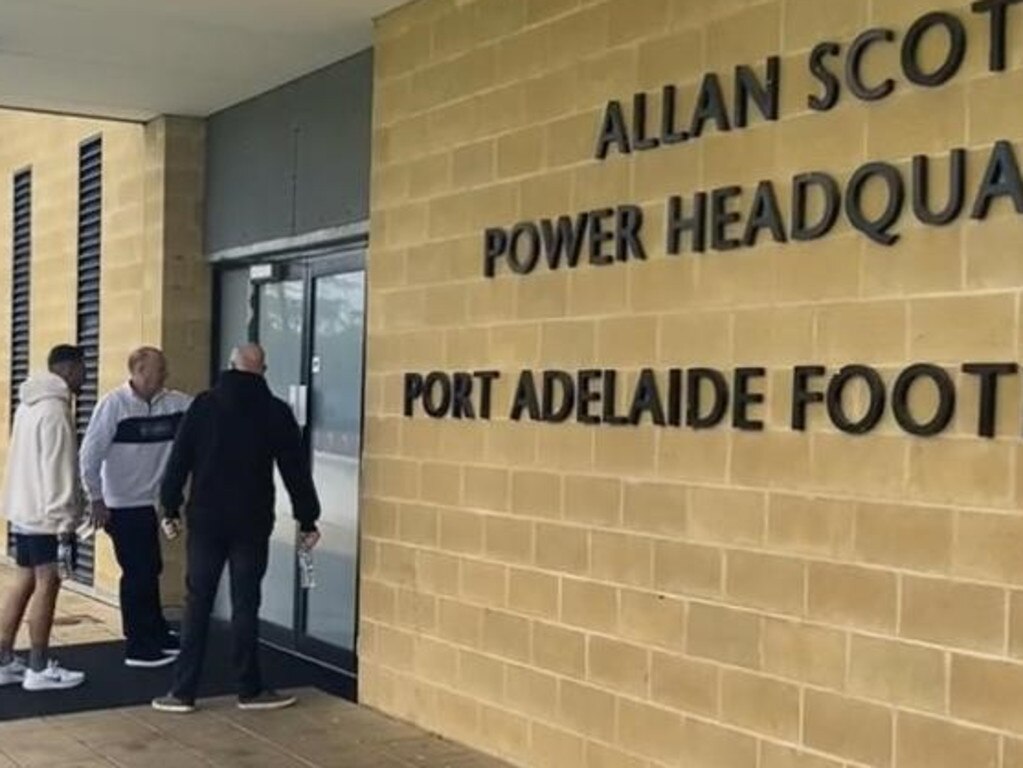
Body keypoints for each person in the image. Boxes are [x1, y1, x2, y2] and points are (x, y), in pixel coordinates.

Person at [152, 343, 320, 713]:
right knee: (246, 602)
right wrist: (307, 517)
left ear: (230, 366)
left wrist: (170, 507)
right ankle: (249, 688)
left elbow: (179, 458)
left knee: (197, 601)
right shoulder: (275, 411)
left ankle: (182, 691)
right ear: (263, 370)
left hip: (207, 518)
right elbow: (295, 470)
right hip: (252, 519)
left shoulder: (204, 405)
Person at [79, 347, 191, 668]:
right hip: (120, 505)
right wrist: (96, 499)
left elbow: (205, 410)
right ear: (139, 370)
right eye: (159, 368)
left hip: (148, 504)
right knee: (138, 572)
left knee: (151, 568)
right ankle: (139, 645)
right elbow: (89, 455)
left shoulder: (174, 403)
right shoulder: (114, 405)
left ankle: (156, 632)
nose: (165, 374)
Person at [0, 345, 87, 691]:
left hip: (24, 510)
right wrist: (65, 523)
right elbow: (58, 470)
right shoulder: (54, 410)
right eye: (82, 369)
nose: (85, 376)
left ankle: (4, 660)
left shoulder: (29, 405)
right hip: (45, 515)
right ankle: (38, 667)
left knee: (24, 581)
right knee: (48, 583)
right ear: (68, 370)